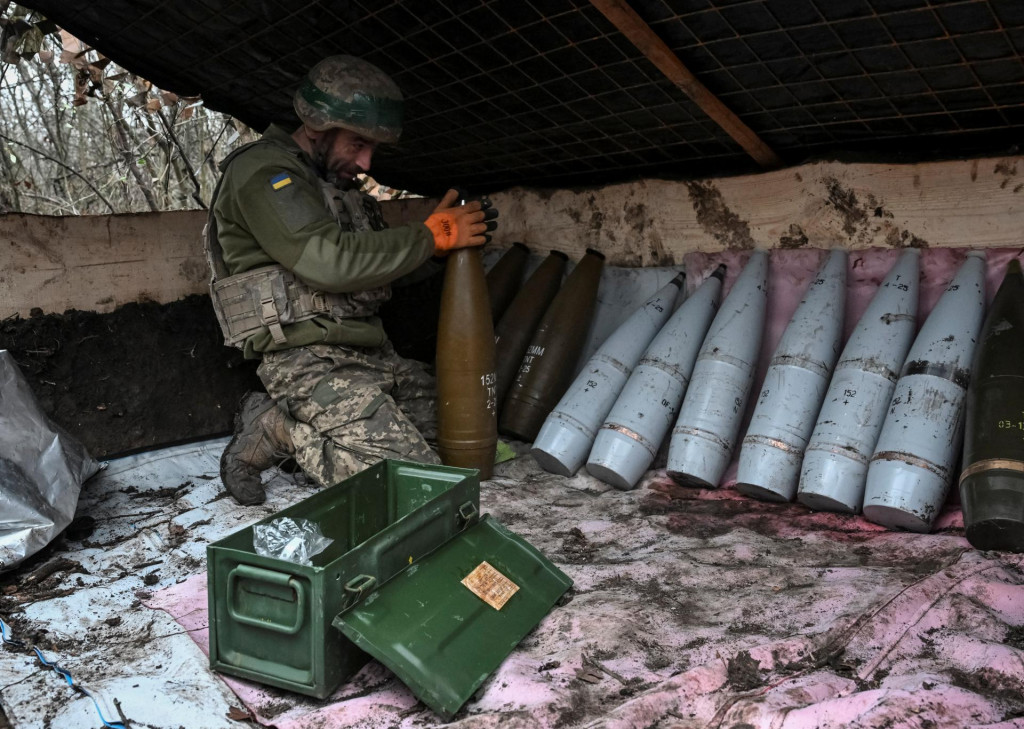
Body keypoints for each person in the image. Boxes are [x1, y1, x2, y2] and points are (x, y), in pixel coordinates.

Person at [204, 55, 497, 505]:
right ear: (317, 125)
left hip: (373, 355)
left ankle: (315, 429)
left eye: (373, 149)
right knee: (413, 483)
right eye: (358, 143)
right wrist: (429, 236)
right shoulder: (265, 173)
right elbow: (330, 262)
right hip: (306, 360)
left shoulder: (340, 191)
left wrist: (445, 252)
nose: (366, 162)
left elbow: (379, 267)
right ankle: (277, 430)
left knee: (461, 443)